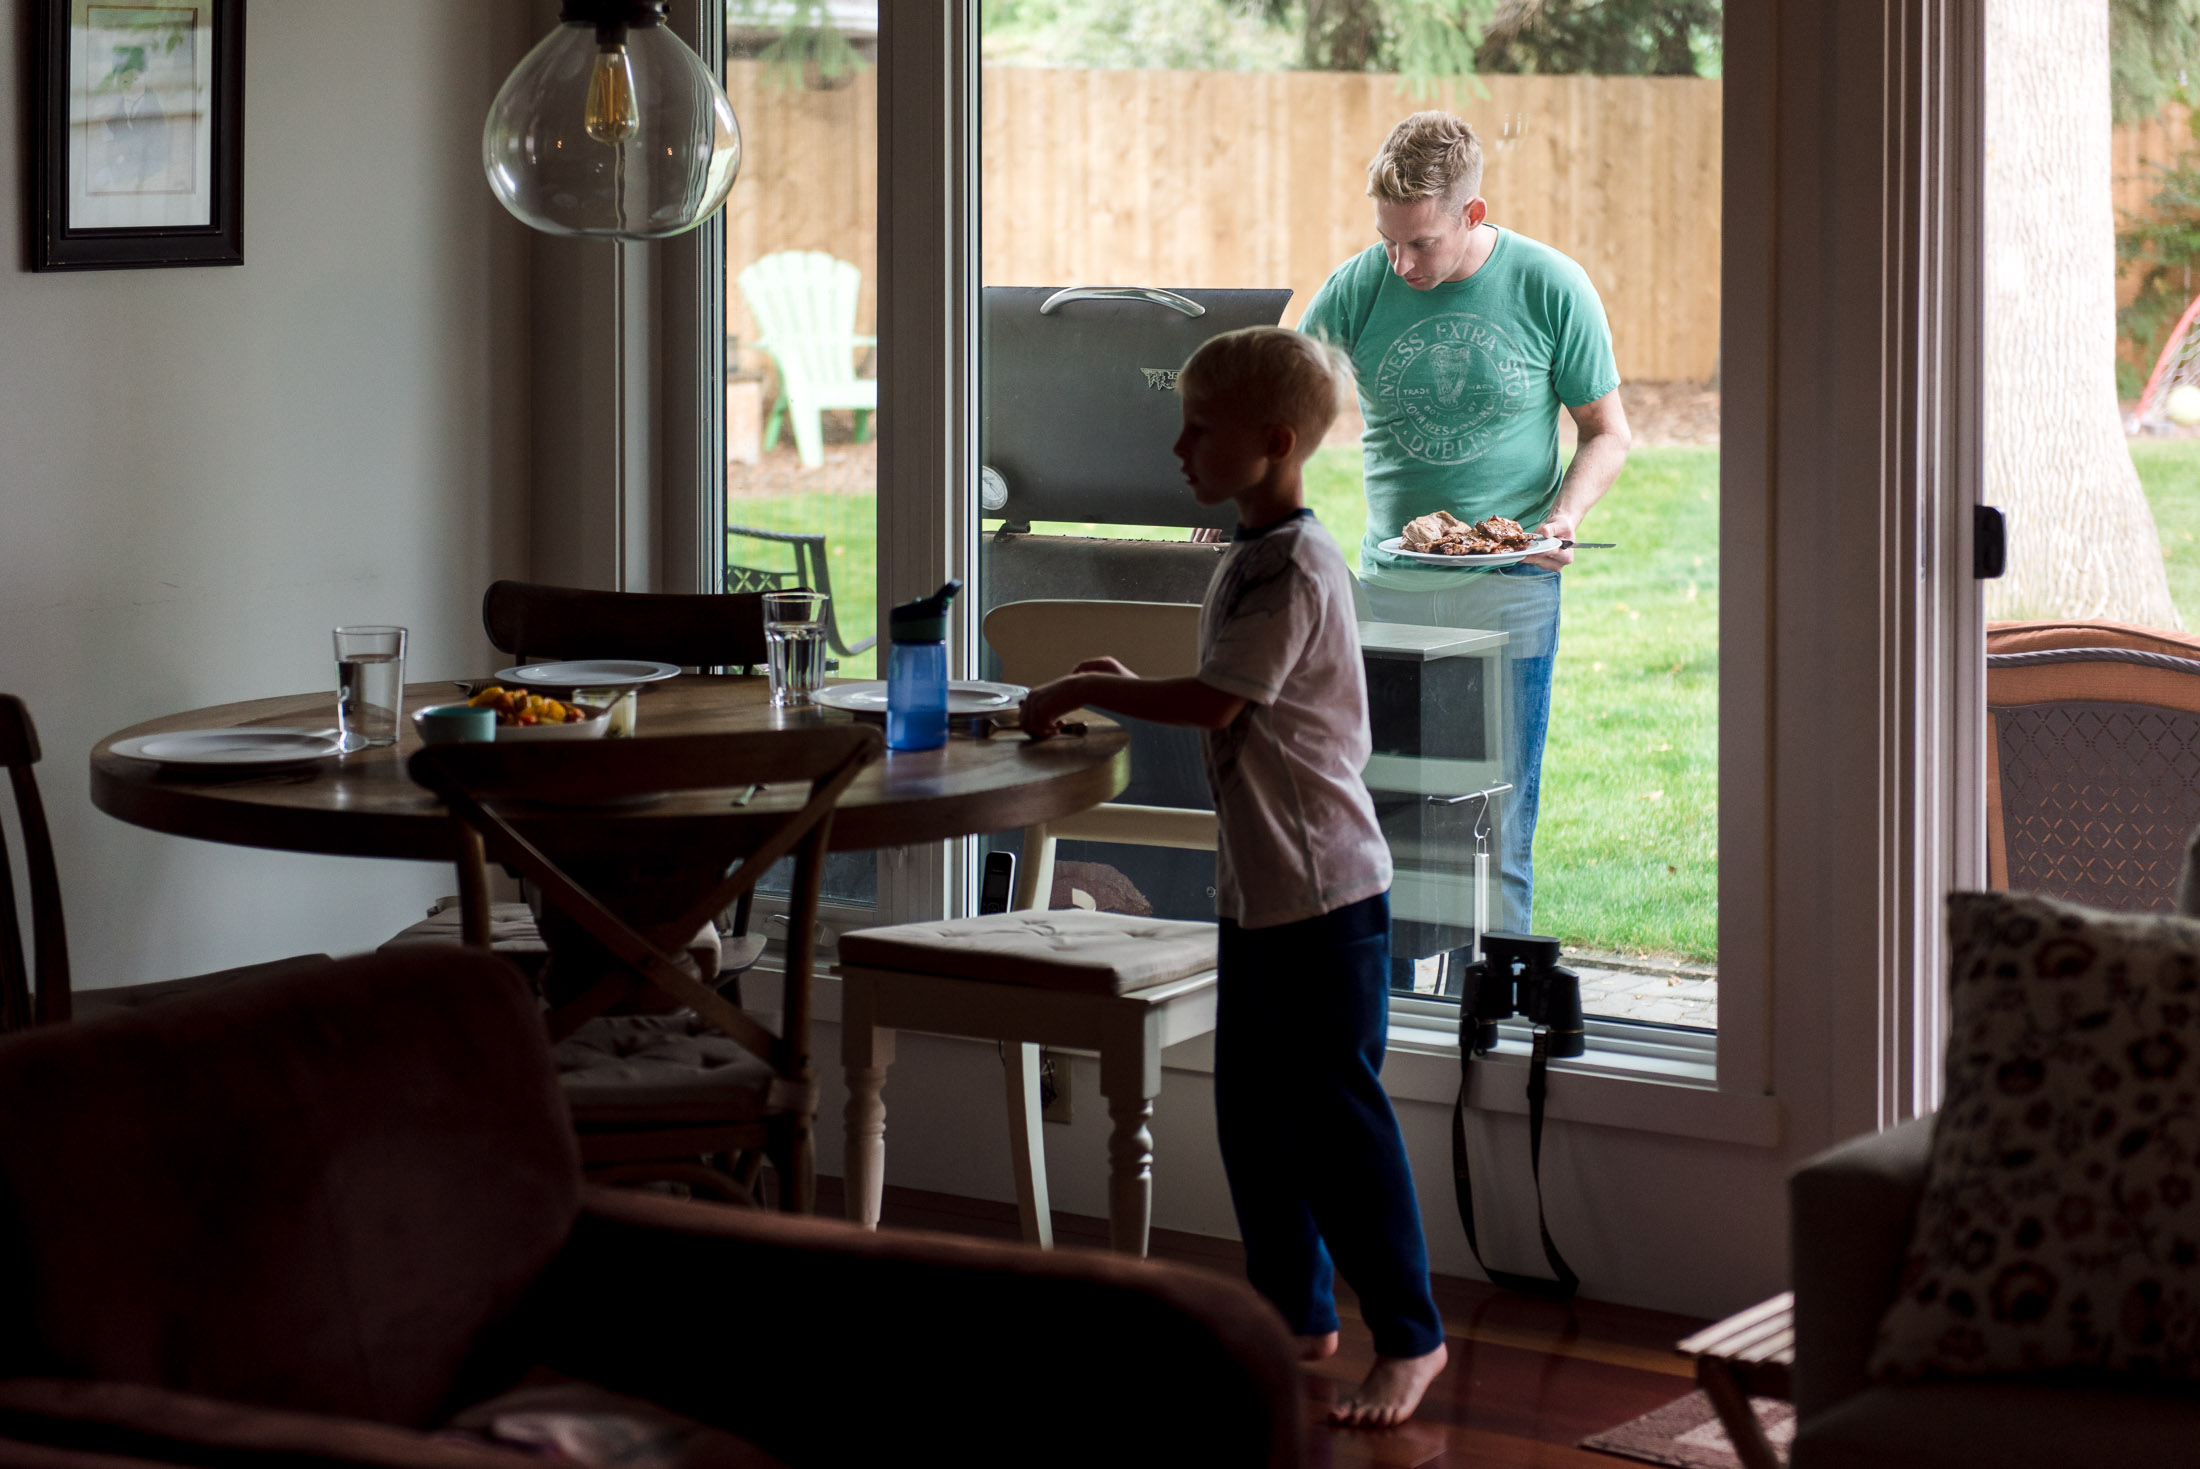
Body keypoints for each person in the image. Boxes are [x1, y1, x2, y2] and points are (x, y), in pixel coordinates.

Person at [1021, 327, 1449, 1428]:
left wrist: (1086, 686)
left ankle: (1412, 1337)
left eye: (1197, 429)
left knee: (1337, 1123)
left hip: (1322, 893)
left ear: (1270, 442)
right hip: (1262, 892)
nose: (1177, 447)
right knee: (1256, 1121)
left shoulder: (1297, 563)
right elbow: (1222, 681)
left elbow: (1218, 704)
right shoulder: (1248, 554)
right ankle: (1297, 1311)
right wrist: (1127, 677)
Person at [1299, 110, 1630, 941]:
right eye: (1388, 241)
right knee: (1377, 824)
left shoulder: (1549, 285)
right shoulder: (1360, 285)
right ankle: (1394, 1020)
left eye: (1421, 244)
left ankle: (1498, 1027)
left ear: (1472, 216)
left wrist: (1562, 519)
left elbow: (1606, 430)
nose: (1401, 263)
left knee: (1500, 829)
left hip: (1511, 589)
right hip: (1389, 589)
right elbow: (1287, 405)